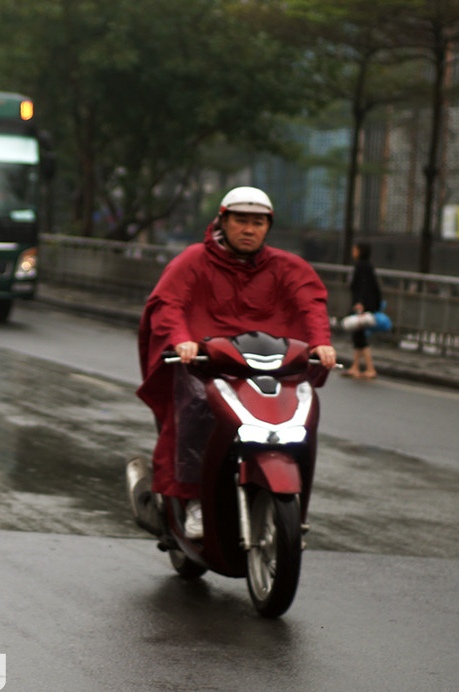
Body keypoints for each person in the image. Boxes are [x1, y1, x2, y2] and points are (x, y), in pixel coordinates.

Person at [136, 186, 335, 540]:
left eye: (258, 223)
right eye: (241, 221)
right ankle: (193, 499)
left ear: (268, 227)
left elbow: (311, 305)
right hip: (208, 365)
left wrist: (321, 343)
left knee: (303, 410)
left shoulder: (288, 267)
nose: (249, 229)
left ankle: (294, 503)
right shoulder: (193, 261)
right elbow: (169, 304)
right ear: (222, 222)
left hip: (269, 365)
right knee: (197, 405)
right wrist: (181, 339)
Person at [345, 242, 382, 379]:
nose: (353, 251)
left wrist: (360, 303)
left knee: (360, 336)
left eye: (355, 249)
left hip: (362, 305)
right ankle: (355, 367)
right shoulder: (366, 266)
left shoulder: (361, 266)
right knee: (358, 335)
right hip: (365, 304)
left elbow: (363, 286)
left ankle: (370, 368)